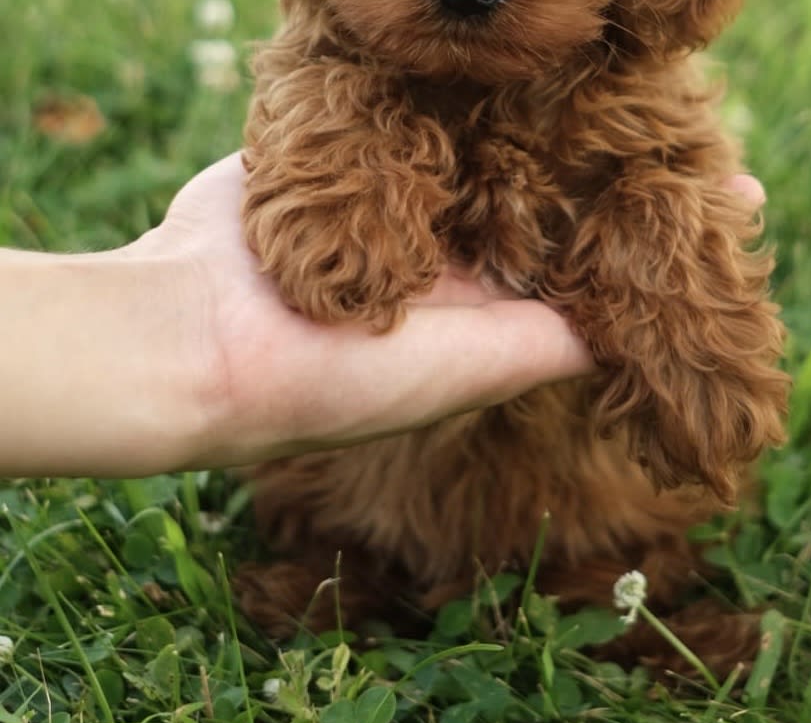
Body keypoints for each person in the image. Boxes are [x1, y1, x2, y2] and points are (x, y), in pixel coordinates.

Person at [0, 154, 764, 479]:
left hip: (602, 512)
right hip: (344, 510)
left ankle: (636, 580)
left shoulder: (640, 110)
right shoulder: (340, 88)